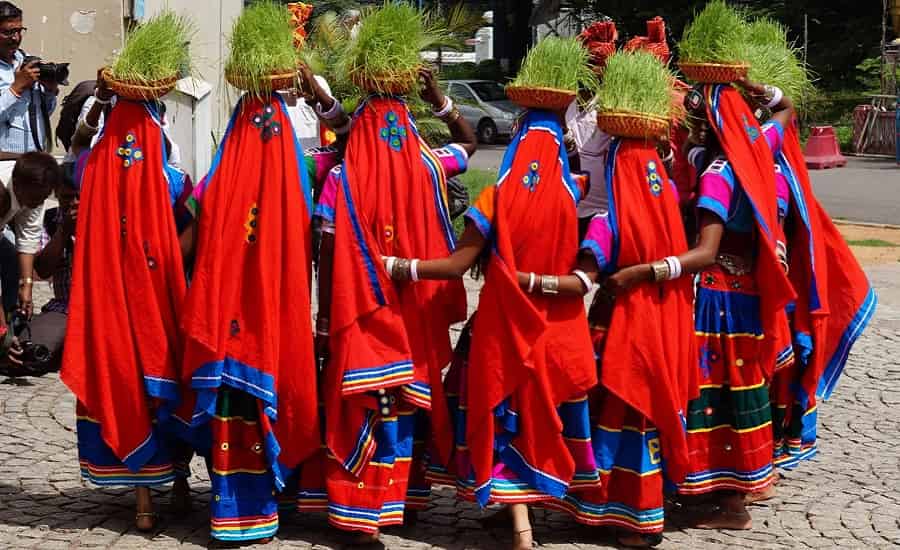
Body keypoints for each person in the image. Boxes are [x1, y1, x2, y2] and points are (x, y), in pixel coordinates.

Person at [380, 55, 596, 550]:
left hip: (502, 328)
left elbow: (457, 265)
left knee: (504, 410)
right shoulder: (574, 192)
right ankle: (527, 514)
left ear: (518, 140)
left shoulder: (494, 199)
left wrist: (400, 266)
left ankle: (519, 526)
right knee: (541, 414)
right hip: (556, 327)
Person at [303, 57, 476, 540]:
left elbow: (328, 245)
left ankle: (363, 511)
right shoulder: (429, 166)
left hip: (360, 309)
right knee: (406, 399)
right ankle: (403, 500)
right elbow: (468, 143)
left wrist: (323, 316)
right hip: (413, 310)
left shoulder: (341, 179)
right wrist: (440, 101)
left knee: (366, 398)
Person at [177, 60, 347, 542]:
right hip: (277, 316)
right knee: (280, 390)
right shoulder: (307, 171)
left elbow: (183, 246)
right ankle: (275, 501)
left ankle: (232, 511)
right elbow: (355, 142)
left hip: (225, 318)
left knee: (229, 398)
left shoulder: (213, 182)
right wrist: (318, 95)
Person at [539, 50, 697, 549]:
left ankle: (603, 509)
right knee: (643, 417)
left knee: (612, 415)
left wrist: (533, 281)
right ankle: (643, 512)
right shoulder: (668, 204)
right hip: (664, 325)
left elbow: (584, 278)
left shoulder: (609, 223)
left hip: (616, 332)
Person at [60, 91, 190, 532]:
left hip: (110, 297)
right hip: (154, 297)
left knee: (123, 380)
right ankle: (179, 486)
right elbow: (194, 219)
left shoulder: (90, 169)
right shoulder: (173, 179)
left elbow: (78, 146)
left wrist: (100, 105)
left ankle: (144, 503)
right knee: (161, 383)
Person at [675, 79, 796, 529]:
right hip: (752, 293)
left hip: (717, 296)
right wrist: (753, 87)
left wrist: (653, 269)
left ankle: (729, 503)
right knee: (747, 388)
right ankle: (747, 483)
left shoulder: (719, 175)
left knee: (715, 393)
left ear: (709, 127)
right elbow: (785, 108)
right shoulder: (762, 152)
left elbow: (706, 250)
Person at [0, 151, 58, 326]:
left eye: (44, 197)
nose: (38, 202)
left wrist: (27, 285)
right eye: (35, 198)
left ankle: (12, 324)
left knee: (11, 261)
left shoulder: (35, 188)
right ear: (16, 185)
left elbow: (28, 236)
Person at [0, 2, 58, 154]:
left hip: (35, 158)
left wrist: (50, 92)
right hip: (4, 160)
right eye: (8, 32)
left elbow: (43, 113)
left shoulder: (27, 61)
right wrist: (16, 88)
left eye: (19, 31)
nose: (16, 38)